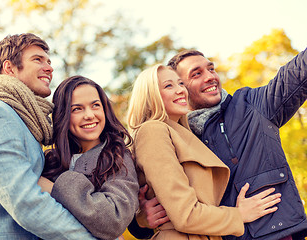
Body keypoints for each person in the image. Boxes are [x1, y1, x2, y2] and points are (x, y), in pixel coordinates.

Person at [129, 50, 307, 240]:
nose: (210, 77)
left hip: (272, 234)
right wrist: (140, 220)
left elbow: (297, 74)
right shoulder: (171, 135)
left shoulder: (252, 107)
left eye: (211, 69)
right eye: (196, 74)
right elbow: (159, 199)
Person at [0, 33, 97, 239]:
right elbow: (25, 202)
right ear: (9, 68)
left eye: (49, 61)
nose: (49, 67)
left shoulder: (24, 124)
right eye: (38, 59)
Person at [37, 75, 139, 240]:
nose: (90, 115)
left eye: (95, 105)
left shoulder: (117, 157)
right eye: (77, 109)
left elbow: (114, 219)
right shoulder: (49, 162)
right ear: (63, 116)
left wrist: (52, 187)